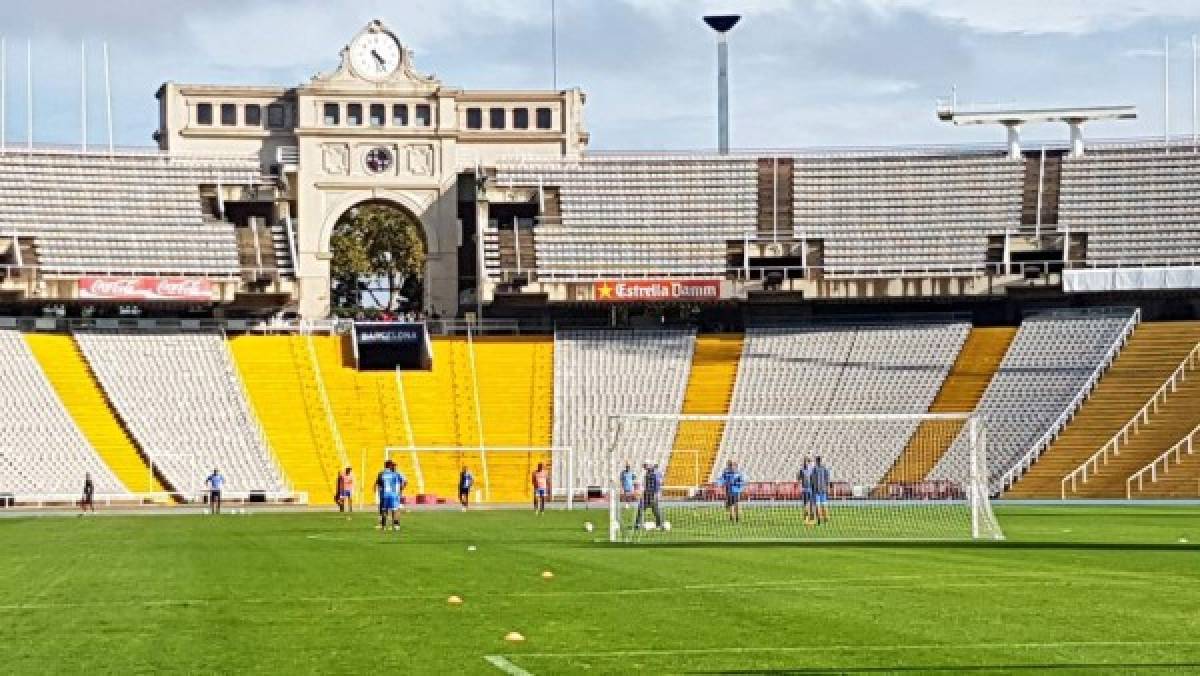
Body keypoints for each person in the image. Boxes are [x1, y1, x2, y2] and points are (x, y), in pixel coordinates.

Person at [375, 460, 407, 532]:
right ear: (390, 466)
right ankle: (396, 526)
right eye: (393, 465)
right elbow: (405, 481)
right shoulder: (396, 474)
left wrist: (379, 493)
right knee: (395, 510)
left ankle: (383, 527)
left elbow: (379, 484)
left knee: (384, 510)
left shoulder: (381, 473)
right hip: (394, 494)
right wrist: (401, 489)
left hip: (384, 494)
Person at [634, 462, 665, 530]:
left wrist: (655, 494)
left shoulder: (654, 473)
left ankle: (660, 524)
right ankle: (637, 524)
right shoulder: (648, 472)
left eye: (645, 466)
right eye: (644, 466)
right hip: (646, 494)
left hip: (652, 494)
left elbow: (657, 484)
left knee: (655, 510)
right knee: (641, 508)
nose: (644, 467)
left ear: (649, 465)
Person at [811, 456, 831, 525]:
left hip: (818, 491)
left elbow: (812, 480)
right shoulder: (823, 469)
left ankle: (821, 519)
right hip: (821, 490)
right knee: (822, 505)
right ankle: (824, 520)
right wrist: (827, 488)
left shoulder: (815, 469)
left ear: (816, 461)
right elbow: (827, 479)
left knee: (819, 506)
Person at [798, 456, 815, 523]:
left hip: (811, 489)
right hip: (804, 489)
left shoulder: (812, 470)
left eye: (806, 462)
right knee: (805, 505)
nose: (805, 463)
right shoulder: (802, 470)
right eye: (804, 462)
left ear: (809, 462)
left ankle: (812, 518)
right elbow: (798, 478)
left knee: (811, 504)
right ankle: (806, 518)